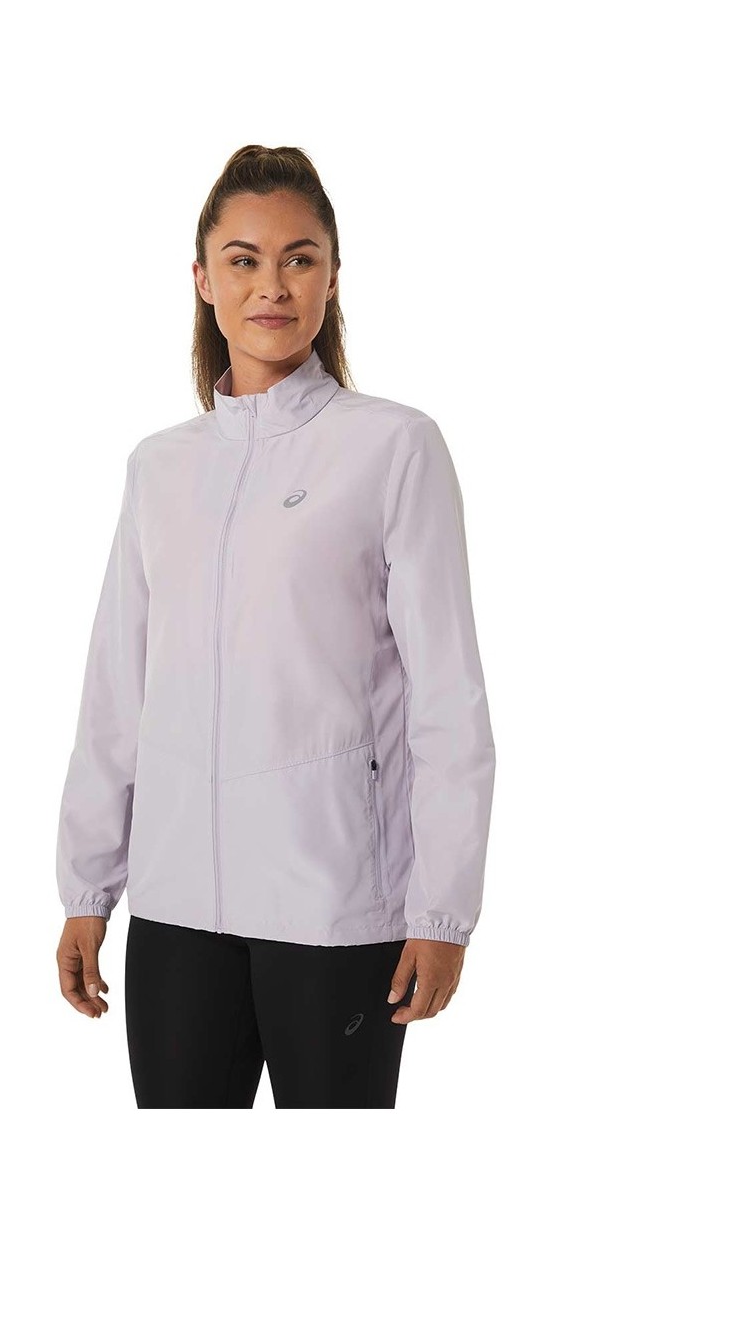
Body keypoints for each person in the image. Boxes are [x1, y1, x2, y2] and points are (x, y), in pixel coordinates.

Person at [54, 144, 496, 1108]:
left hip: (334, 909)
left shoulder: (393, 448)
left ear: (332, 277)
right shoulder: (160, 468)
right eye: (244, 259)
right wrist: (87, 889)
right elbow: (116, 690)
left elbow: (448, 697)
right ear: (202, 278)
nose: (273, 285)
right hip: (176, 908)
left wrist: (442, 911)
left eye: (300, 258)